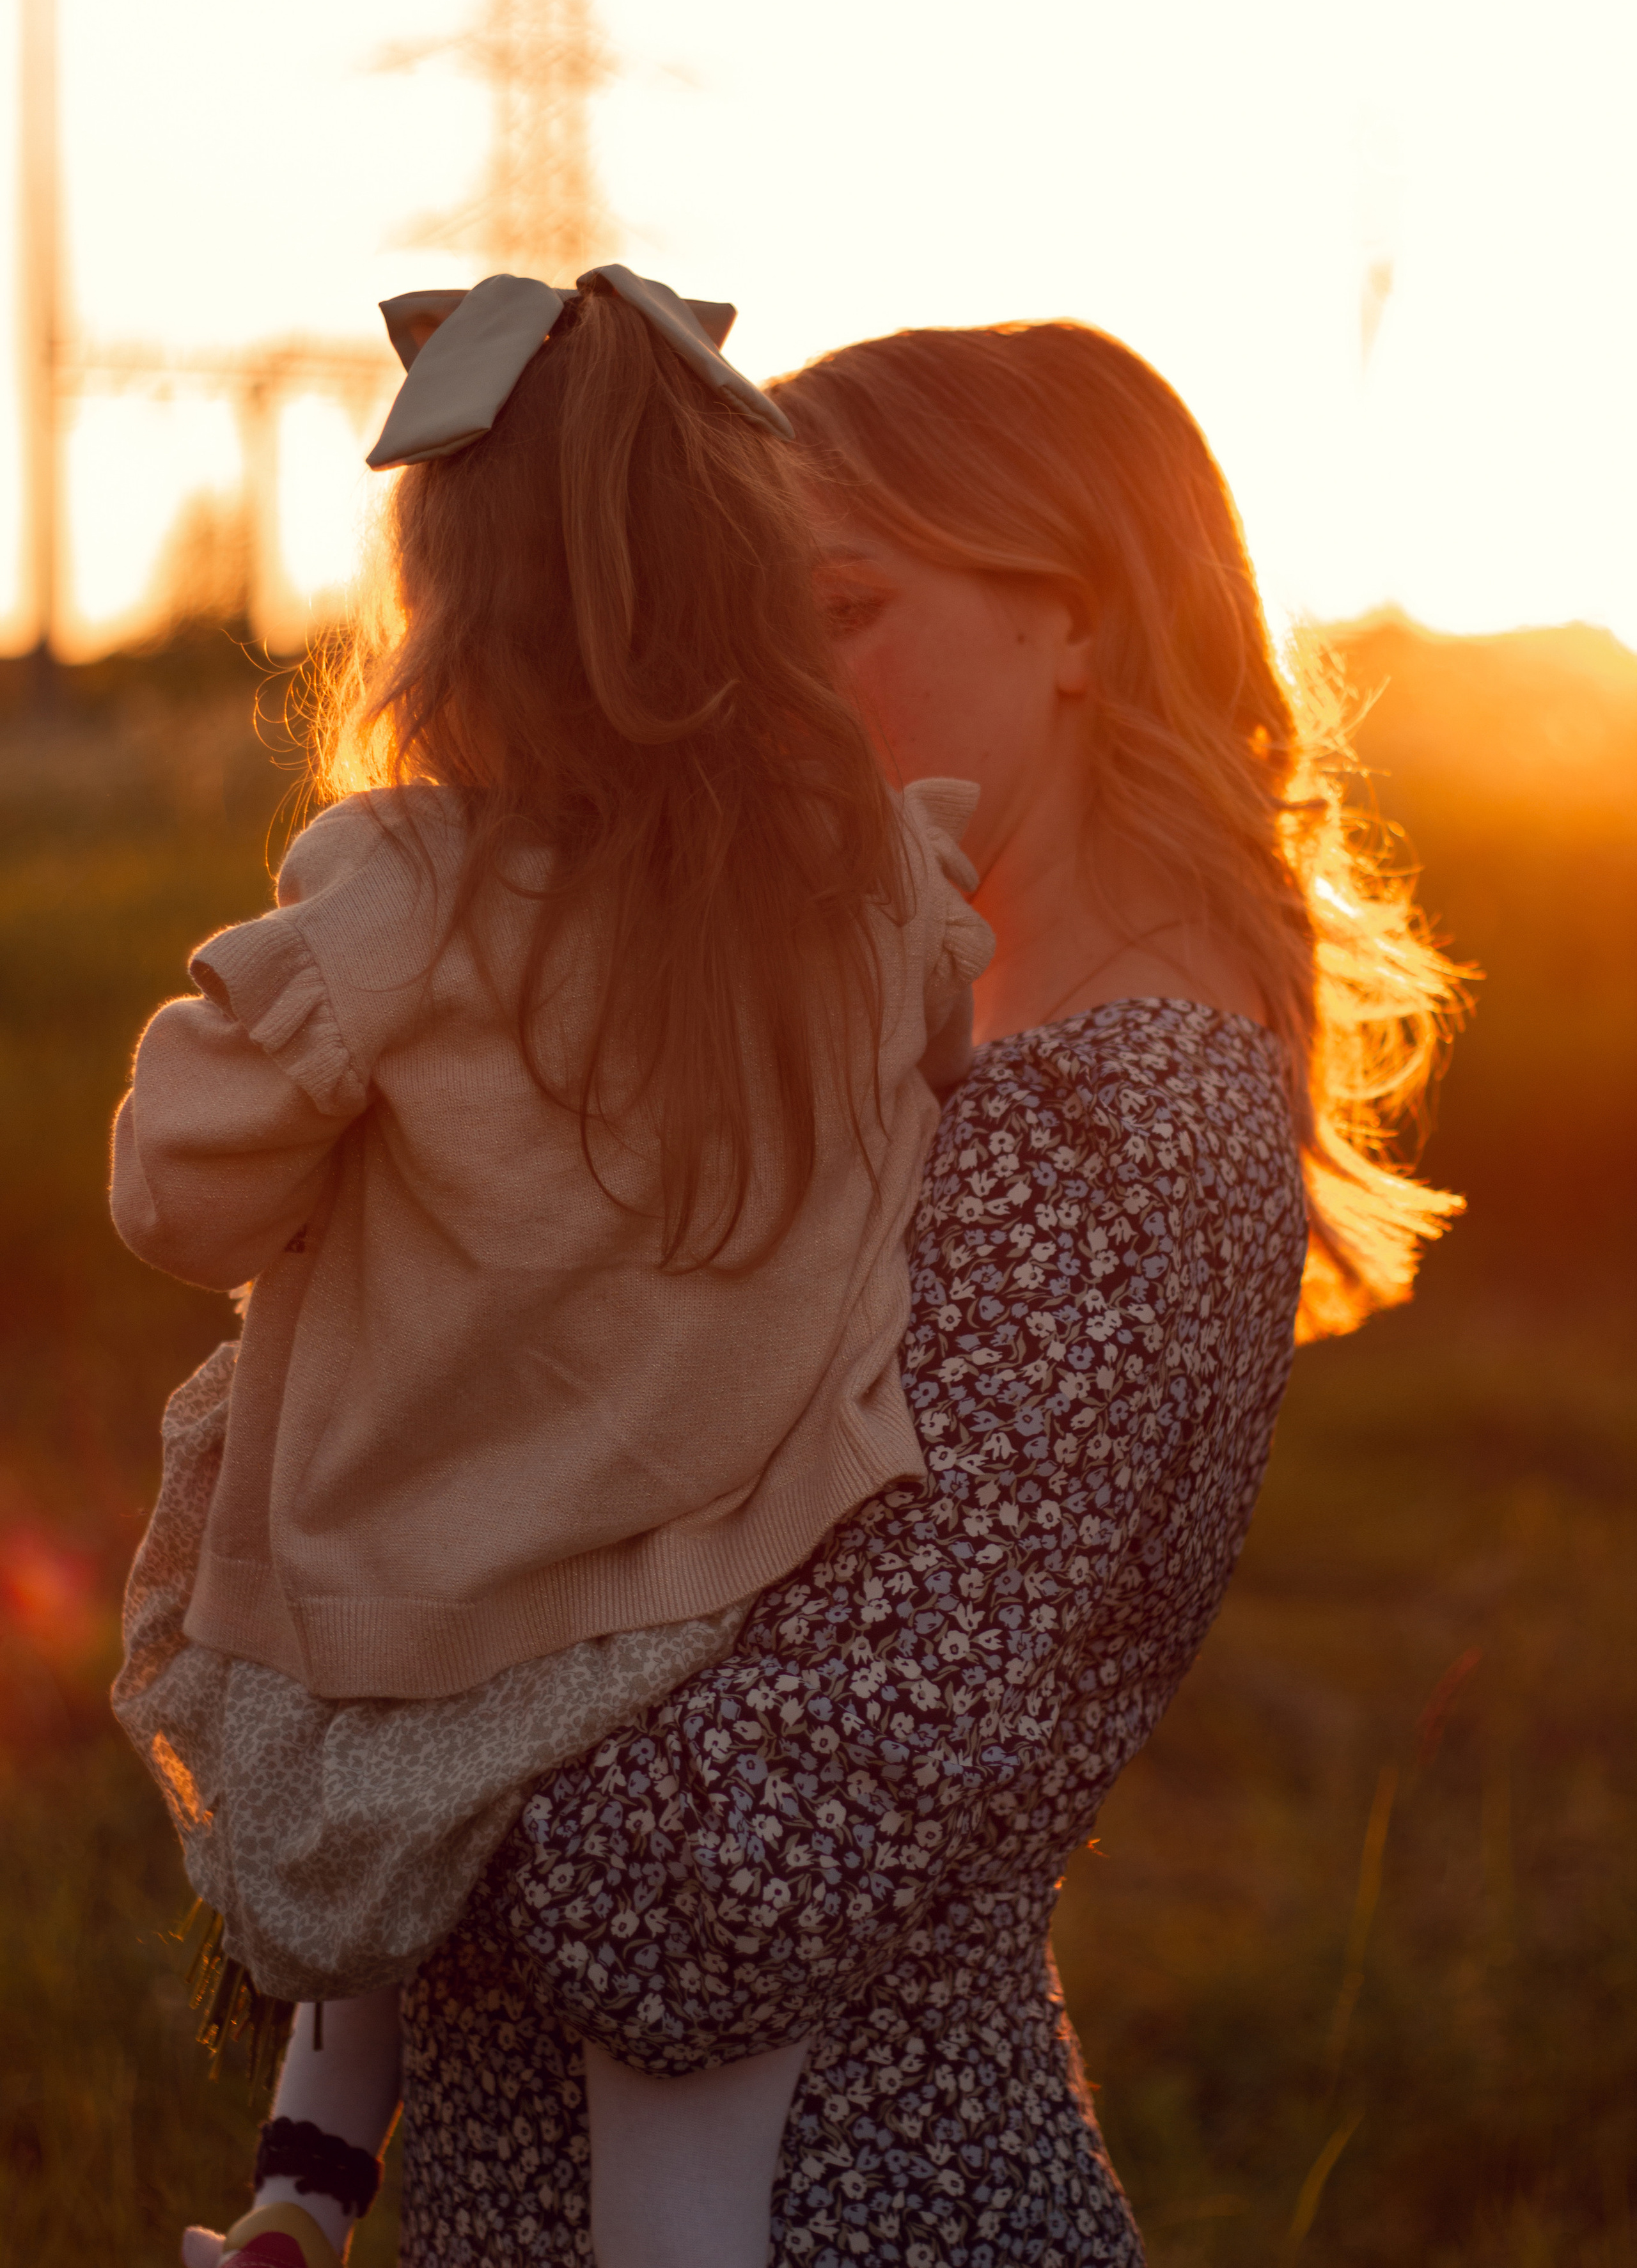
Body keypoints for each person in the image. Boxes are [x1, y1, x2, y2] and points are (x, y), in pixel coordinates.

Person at [389, 318, 1464, 2264]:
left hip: (857, 2212)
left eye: (849, 607)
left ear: (1084, 619)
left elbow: (725, 1900)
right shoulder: (931, 1072)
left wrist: (352, 1755)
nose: (773, 689)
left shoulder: (1101, 1134)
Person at [107, 269, 994, 2268]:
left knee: (290, 1468)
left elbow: (178, 1210)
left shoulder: (406, 892)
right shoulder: (866, 880)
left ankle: (306, 2175)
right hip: (728, 1583)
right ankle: (387, 2187)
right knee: (684, 2165)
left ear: (445, 617)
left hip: (429, 1608)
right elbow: (938, 1052)